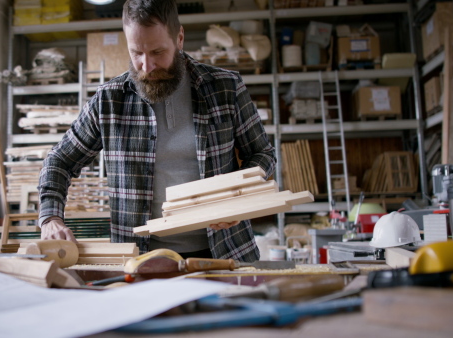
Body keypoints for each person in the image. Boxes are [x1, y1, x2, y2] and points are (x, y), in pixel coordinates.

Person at [38, 0, 276, 262]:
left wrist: (238, 199)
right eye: (136, 53)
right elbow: (59, 161)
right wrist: (50, 218)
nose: (146, 66)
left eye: (157, 52)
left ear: (180, 38)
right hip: (141, 259)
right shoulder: (108, 101)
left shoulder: (226, 88)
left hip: (226, 252)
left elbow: (262, 154)